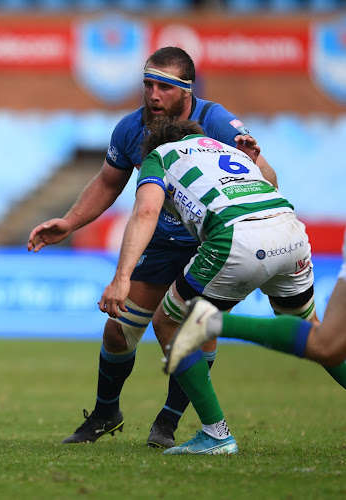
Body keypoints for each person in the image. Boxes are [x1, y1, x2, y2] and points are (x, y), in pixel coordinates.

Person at [28, 46, 279, 449]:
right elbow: (109, 182)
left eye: (164, 86)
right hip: (162, 243)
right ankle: (106, 412)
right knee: (118, 333)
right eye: (148, 84)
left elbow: (268, 178)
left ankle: (169, 420)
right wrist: (70, 221)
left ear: (187, 90)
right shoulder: (131, 128)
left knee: (196, 333)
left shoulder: (216, 120)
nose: (153, 94)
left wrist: (256, 161)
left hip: (210, 243)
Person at [99, 117, 319, 454]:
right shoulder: (226, 149)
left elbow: (146, 212)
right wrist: (249, 159)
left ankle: (216, 433)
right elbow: (271, 183)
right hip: (291, 231)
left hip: (238, 238)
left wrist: (122, 277)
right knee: (318, 336)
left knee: (167, 322)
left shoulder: (159, 156)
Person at [165, 253, 346, 388]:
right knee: (326, 344)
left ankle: (213, 321)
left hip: (250, 242)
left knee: (327, 345)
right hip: (287, 241)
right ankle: (214, 322)